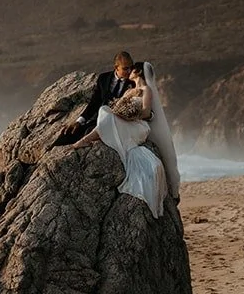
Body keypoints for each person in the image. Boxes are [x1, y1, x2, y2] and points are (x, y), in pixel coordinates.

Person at [70, 60, 181, 218]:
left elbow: (145, 112)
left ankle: (87, 139)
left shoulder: (146, 90)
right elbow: (117, 107)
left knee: (108, 117)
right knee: (104, 110)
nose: (129, 72)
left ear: (139, 73)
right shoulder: (130, 91)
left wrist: (131, 115)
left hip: (139, 126)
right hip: (126, 122)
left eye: (132, 70)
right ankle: (89, 138)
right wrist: (122, 112)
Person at [57, 50, 136, 144]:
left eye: (131, 67)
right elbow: (95, 102)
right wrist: (79, 121)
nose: (129, 71)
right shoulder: (103, 78)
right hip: (98, 119)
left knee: (88, 133)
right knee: (68, 134)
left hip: (118, 123)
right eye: (125, 68)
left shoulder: (134, 82)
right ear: (116, 67)